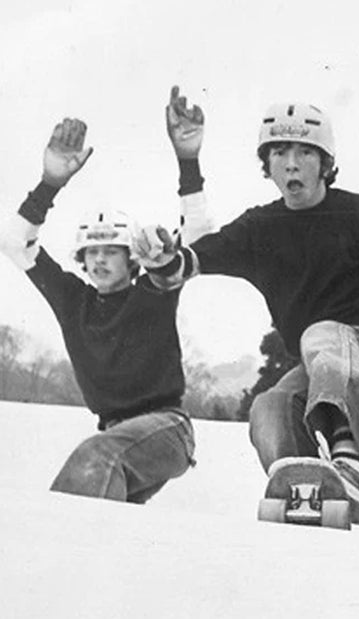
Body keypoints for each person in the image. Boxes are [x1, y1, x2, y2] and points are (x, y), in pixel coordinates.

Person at [133, 87, 359, 524]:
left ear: (325, 163)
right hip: (316, 365)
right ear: (266, 165)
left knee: (324, 333)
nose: (290, 163)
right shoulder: (259, 227)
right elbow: (191, 259)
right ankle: (307, 489)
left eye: (304, 152)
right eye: (279, 153)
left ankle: (350, 464)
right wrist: (163, 258)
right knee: (268, 404)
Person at [0, 117, 208, 503]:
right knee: (108, 520)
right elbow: (14, 241)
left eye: (109, 250)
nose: (99, 260)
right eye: (91, 252)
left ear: (130, 258)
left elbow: (200, 239)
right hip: (115, 434)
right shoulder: (72, 299)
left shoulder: (153, 290)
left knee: (94, 457)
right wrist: (50, 183)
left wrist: (188, 161)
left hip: (167, 429)